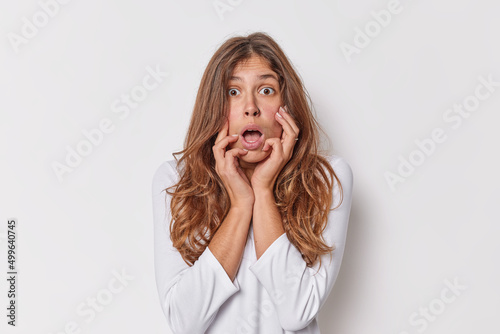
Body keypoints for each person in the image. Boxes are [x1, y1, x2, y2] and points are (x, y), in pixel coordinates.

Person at [152, 31, 353, 334]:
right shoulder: (176, 180)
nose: (250, 107)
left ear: (287, 105)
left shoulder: (327, 178)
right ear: (215, 107)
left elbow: (296, 312)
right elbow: (185, 322)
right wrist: (241, 204)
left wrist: (262, 189)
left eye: (266, 90)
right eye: (233, 92)